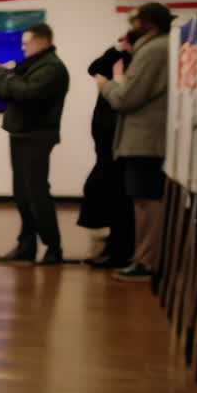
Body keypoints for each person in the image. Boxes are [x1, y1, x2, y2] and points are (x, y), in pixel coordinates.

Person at [96, 3, 171, 283]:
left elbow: (127, 97)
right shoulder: (158, 47)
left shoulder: (153, 50)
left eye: (135, 21)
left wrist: (110, 85)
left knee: (147, 204)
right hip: (148, 139)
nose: (131, 27)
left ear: (148, 23)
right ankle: (143, 257)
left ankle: (146, 261)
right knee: (143, 202)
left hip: (146, 140)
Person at [0, 23, 70, 266]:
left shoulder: (51, 68)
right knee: (23, 194)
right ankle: (26, 245)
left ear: (42, 41)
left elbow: (26, 93)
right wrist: (5, 75)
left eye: (26, 43)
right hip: (22, 134)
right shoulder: (34, 66)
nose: (22, 48)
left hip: (37, 136)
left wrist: (1, 74)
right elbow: (3, 91)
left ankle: (53, 248)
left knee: (36, 194)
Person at [79, 33, 136, 269]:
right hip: (106, 142)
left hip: (118, 142)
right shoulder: (119, 58)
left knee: (113, 194)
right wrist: (116, 50)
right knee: (109, 193)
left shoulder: (137, 63)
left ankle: (119, 249)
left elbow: (121, 98)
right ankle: (114, 242)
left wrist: (110, 85)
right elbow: (94, 68)